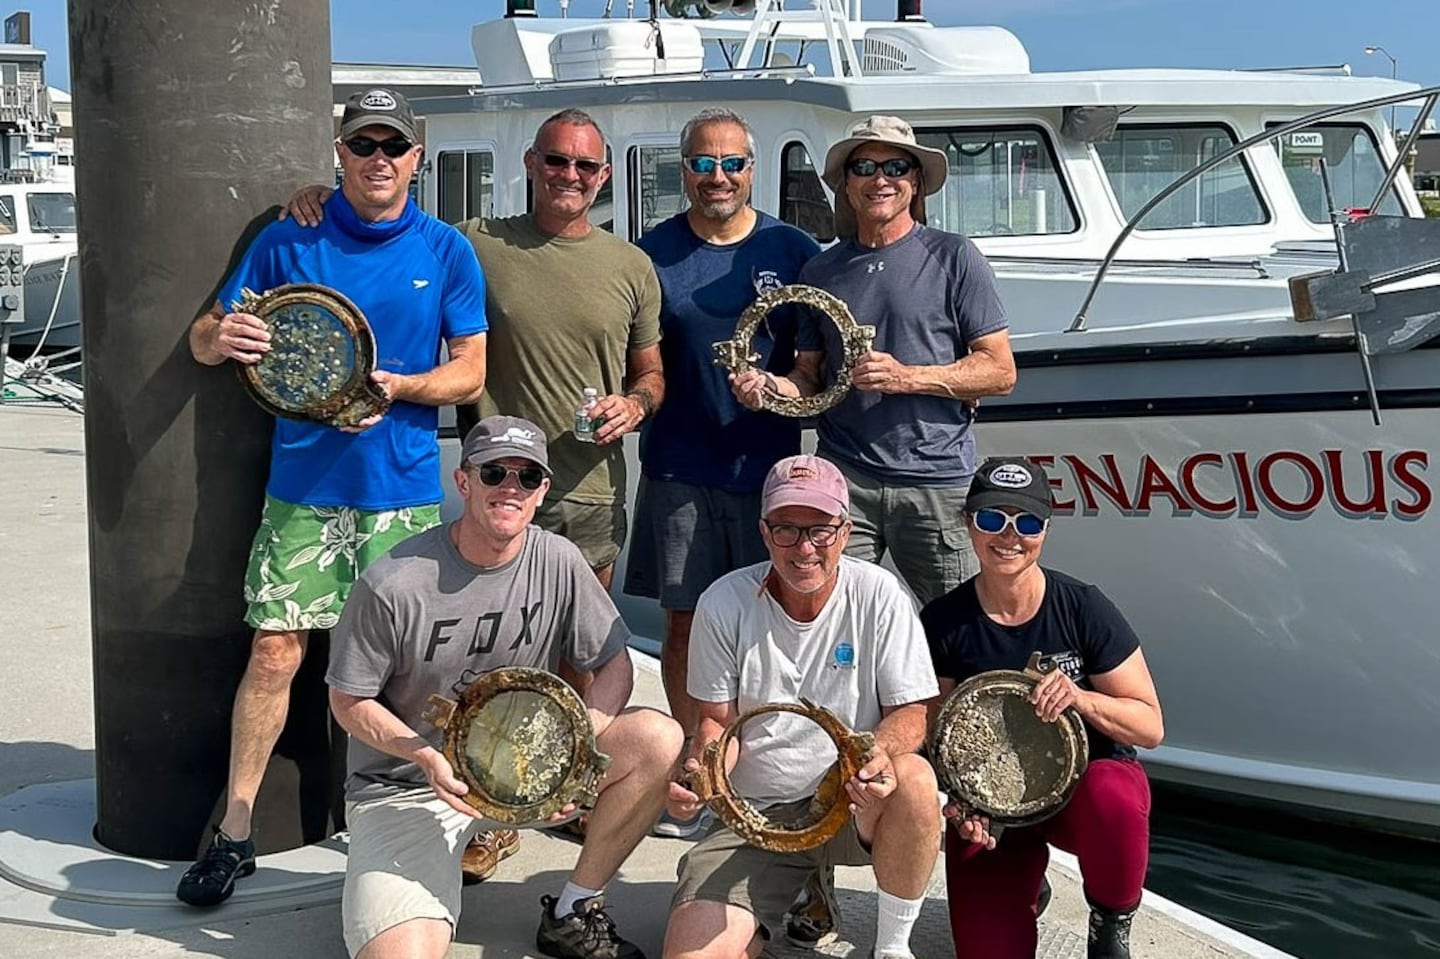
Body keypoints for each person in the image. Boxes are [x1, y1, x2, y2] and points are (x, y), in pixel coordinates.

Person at [179, 88, 488, 907]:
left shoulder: (448, 248)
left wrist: (410, 384)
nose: (378, 159)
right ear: (341, 155)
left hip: (402, 493)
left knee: (413, 670)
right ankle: (235, 831)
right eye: (363, 145)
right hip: (305, 491)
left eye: (393, 145)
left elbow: (472, 369)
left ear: (417, 157)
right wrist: (223, 337)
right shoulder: (292, 237)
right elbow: (208, 336)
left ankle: (413, 822)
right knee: (276, 653)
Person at [327, 415, 684, 959]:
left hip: (526, 767)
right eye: (494, 473)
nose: (509, 488)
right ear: (464, 481)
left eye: (527, 477)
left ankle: (574, 909)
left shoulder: (558, 560)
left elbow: (614, 663)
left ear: (542, 491)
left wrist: (576, 748)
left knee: (656, 738)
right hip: (414, 786)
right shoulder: (393, 582)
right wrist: (424, 756)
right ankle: (420, 876)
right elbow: (348, 701)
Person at [285, 108, 663, 590]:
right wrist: (323, 200)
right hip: (498, 486)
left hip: (588, 493)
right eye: (556, 160)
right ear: (530, 162)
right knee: (490, 642)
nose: (570, 175)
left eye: (586, 166)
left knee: (581, 651)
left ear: (604, 175)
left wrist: (634, 404)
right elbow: (392, 225)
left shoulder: (632, 265)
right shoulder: (472, 242)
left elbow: (650, 374)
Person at [623, 108, 820, 839]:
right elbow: (633, 358)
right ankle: (695, 772)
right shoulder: (649, 255)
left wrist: (778, 386)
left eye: (732, 163)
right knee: (686, 623)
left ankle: (762, 771)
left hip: (771, 472)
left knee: (773, 624)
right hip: (678, 465)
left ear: (752, 170)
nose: (718, 177)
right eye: (703, 163)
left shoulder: (791, 248)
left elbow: (813, 361)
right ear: (684, 171)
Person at [662, 454, 942, 959]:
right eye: (787, 530)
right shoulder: (722, 602)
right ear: (764, 532)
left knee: (916, 781)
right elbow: (716, 725)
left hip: (851, 802)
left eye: (821, 530)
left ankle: (893, 947)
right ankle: (800, 888)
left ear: (846, 529)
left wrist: (876, 752)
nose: (804, 547)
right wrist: (700, 776)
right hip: (758, 815)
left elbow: (912, 712)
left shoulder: (880, 594)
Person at [733, 114, 1017, 609]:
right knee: (831, 615)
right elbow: (810, 378)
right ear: (846, 183)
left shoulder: (955, 256)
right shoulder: (820, 270)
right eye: (864, 166)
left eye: (896, 167)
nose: (880, 179)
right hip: (846, 481)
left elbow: (999, 371)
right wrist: (768, 389)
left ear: (916, 180)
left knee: (957, 627)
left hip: (936, 482)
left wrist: (908, 377)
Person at [920, 457, 1164, 959]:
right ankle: (1024, 886)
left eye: (1026, 522)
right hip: (993, 811)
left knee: (1114, 794)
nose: (1009, 535)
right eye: (992, 519)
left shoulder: (1081, 606)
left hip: (1079, 791)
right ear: (969, 524)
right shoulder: (944, 621)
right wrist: (958, 803)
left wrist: (1080, 697)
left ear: (1045, 531)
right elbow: (931, 732)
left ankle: (1111, 917)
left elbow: (1149, 725)